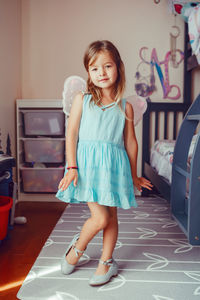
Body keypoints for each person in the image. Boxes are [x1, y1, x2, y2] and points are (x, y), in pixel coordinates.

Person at [56, 40, 152, 286]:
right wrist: (72, 167)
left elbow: (131, 143)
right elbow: (72, 134)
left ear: (118, 67)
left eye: (107, 66)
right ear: (88, 72)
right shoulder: (82, 99)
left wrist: (133, 175)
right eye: (95, 68)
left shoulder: (125, 106)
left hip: (115, 168)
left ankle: (106, 261)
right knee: (100, 218)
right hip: (88, 167)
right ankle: (77, 248)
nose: (102, 73)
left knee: (112, 215)